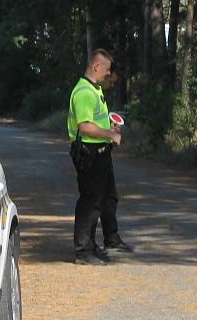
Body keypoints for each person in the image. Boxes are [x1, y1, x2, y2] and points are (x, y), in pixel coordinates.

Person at [67, 49, 134, 265]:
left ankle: (91, 245)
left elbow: (96, 120)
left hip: (100, 152)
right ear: (96, 67)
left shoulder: (94, 90)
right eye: (106, 69)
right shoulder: (85, 92)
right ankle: (82, 251)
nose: (108, 74)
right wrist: (110, 135)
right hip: (90, 153)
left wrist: (109, 126)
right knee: (90, 201)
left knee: (104, 198)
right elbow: (85, 126)